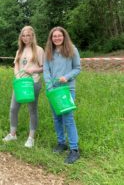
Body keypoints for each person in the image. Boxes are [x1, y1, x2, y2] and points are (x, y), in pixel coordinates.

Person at [43, 26, 81, 164]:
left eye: (59, 35)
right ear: (51, 38)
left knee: (68, 118)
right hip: (53, 90)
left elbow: (77, 68)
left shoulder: (72, 49)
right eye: (54, 36)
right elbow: (46, 71)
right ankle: (61, 143)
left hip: (67, 89)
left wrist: (67, 76)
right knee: (56, 118)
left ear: (64, 36)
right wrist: (49, 87)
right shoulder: (48, 52)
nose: (57, 38)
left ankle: (74, 149)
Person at [3, 26, 44, 148]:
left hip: (33, 83)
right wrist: (17, 76)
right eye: (24, 35)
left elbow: (44, 67)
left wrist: (34, 69)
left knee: (32, 110)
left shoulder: (39, 50)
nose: (26, 38)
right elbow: (16, 64)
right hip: (20, 84)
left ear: (33, 36)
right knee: (13, 108)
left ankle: (31, 138)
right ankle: (12, 134)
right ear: (21, 37)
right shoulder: (19, 50)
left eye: (29, 35)